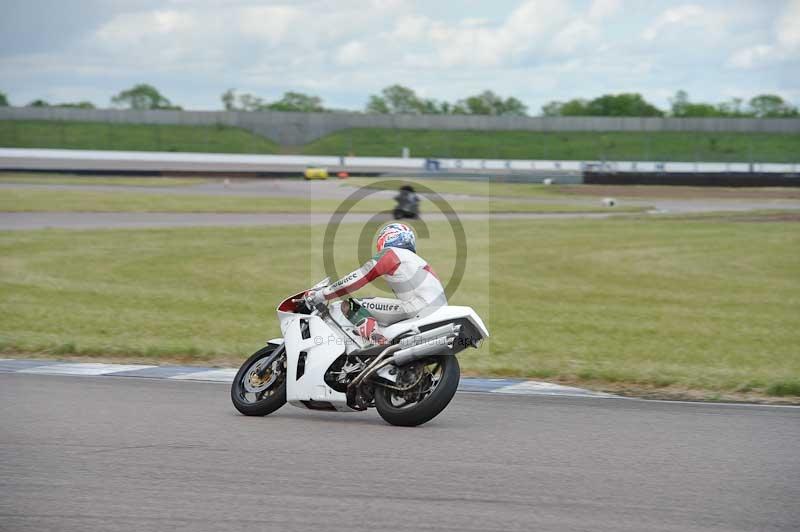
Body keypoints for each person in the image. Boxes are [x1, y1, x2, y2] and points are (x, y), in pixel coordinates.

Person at [307, 223, 446, 345]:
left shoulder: (391, 253)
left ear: (387, 238)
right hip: (440, 311)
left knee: (349, 305)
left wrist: (322, 294)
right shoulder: (417, 260)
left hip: (418, 308)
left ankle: (376, 345)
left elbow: (358, 278)